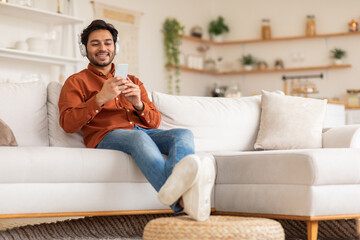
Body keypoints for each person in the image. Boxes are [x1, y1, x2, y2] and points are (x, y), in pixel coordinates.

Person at [58, 19, 215, 221]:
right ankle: (182, 201)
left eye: (107, 42)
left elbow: (155, 122)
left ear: (115, 47)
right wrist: (99, 98)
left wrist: (138, 103)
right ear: (84, 49)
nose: (102, 48)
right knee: (139, 140)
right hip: (106, 135)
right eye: (94, 43)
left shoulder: (133, 80)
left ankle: (177, 194)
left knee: (182, 134)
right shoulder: (75, 82)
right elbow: (67, 124)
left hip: (140, 130)